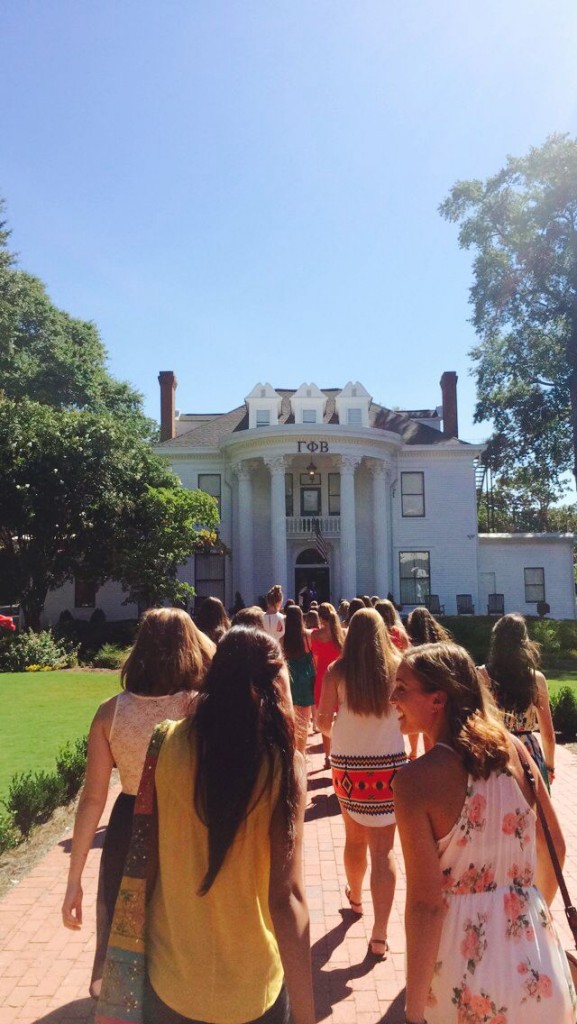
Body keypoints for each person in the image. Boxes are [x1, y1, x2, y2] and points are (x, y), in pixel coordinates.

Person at [101, 627, 314, 1024]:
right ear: (273, 685)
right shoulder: (284, 765)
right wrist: (307, 1014)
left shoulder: (164, 742)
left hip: (172, 978)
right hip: (253, 986)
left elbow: (147, 859)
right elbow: (287, 898)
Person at [391, 642, 576, 1024]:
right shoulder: (517, 751)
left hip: (465, 983)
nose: (392, 697)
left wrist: (412, 1011)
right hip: (538, 972)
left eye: (402, 688)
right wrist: (521, 905)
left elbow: (426, 904)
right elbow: (555, 846)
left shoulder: (415, 781)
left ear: (437, 699)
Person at [62, 609, 215, 998]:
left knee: (127, 929)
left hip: (128, 826)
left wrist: (74, 880)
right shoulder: (201, 707)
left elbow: (92, 798)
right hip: (186, 823)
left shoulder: (109, 712)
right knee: (183, 931)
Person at [317, 609, 407, 958]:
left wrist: (341, 730)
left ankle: (355, 899)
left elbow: (322, 721)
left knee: (354, 838)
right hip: (389, 768)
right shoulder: (398, 667)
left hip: (349, 768)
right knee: (384, 851)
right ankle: (380, 934)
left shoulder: (337, 671)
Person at [479, 612, 556, 790]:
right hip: (528, 753)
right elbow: (548, 734)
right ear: (524, 642)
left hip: (494, 750)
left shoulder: (482, 676)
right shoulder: (536, 679)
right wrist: (550, 766)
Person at [310, 602, 345, 768]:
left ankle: (327, 756)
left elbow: (315, 660)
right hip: (340, 676)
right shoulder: (342, 634)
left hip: (323, 677)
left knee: (325, 717)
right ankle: (341, 751)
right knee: (342, 716)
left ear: (320, 618)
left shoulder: (315, 635)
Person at [283, 605, 315, 755]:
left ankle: (292, 751)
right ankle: (301, 753)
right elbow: (314, 658)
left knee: (290, 719)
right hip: (305, 681)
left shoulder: (282, 639)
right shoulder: (308, 637)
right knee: (304, 720)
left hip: (290, 680)